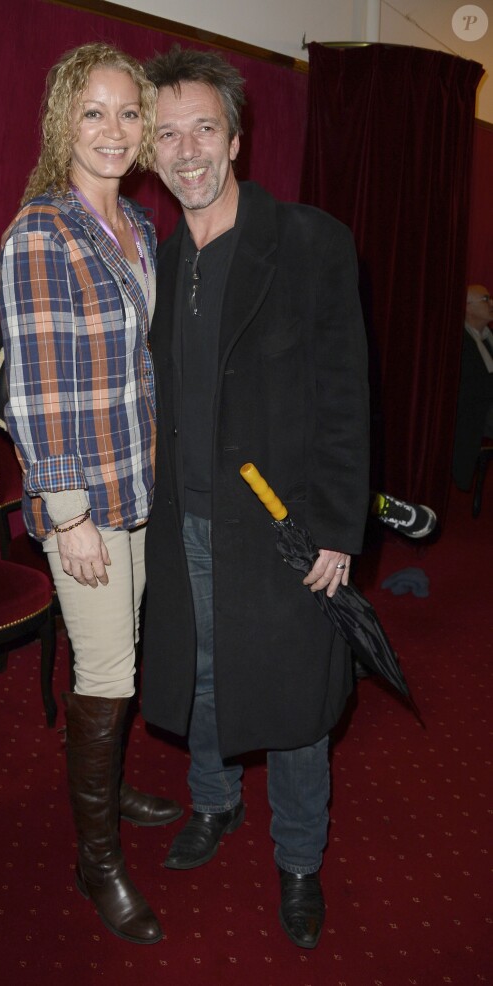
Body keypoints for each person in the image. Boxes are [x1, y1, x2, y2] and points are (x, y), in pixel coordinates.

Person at [141, 46, 370, 950]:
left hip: (284, 526)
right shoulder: (155, 261)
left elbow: (348, 397)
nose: (186, 149)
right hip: (182, 520)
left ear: (235, 138)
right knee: (200, 674)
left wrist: (338, 528)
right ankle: (212, 801)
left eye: (203, 127)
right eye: (167, 135)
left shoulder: (311, 241)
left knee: (295, 703)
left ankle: (301, 856)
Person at [0, 42, 183, 947]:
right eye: (93, 113)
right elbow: (35, 386)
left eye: (127, 113)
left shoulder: (139, 229)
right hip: (84, 497)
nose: (113, 131)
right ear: (62, 124)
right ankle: (96, 858)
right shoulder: (42, 231)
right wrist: (65, 512)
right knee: (108, 669)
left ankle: (104, 788)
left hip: (136, 478)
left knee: (125, 648)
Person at [452, 285, 493, 491]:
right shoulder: (458, 340)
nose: (491, 303)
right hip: (474, 413)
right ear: (468, 308)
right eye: (486, 299)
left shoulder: (489, 337)